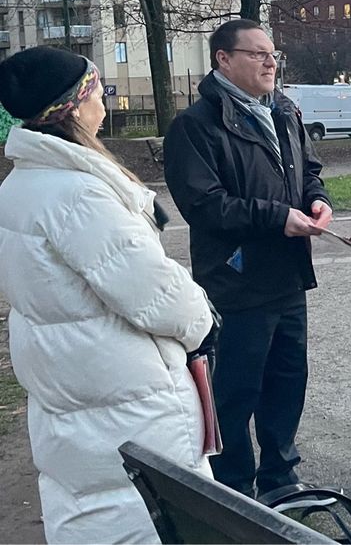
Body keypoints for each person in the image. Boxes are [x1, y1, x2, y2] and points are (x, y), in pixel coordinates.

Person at [0, 46, 214, 543]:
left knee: (84, 500)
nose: (105, 104)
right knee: (146, 511)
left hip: (67, 379)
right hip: (126, 388)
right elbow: (155, 294)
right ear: (75, 105)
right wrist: (202, 320)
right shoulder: (81, 194)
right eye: (97, 92)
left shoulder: (20, 186)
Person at [164, 19, 333, 498]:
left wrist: (315, 199)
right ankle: (234, 488)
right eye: (257, 54)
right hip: (237, 279)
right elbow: (203, 205)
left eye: (273, 53)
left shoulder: (283, 110)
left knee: (286, 382)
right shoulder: (195, 126)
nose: (270, 62)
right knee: (236, 390)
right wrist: (277, 216)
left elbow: (309, 169)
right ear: (224, 59)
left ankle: (281, 478)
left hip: (287, 274)